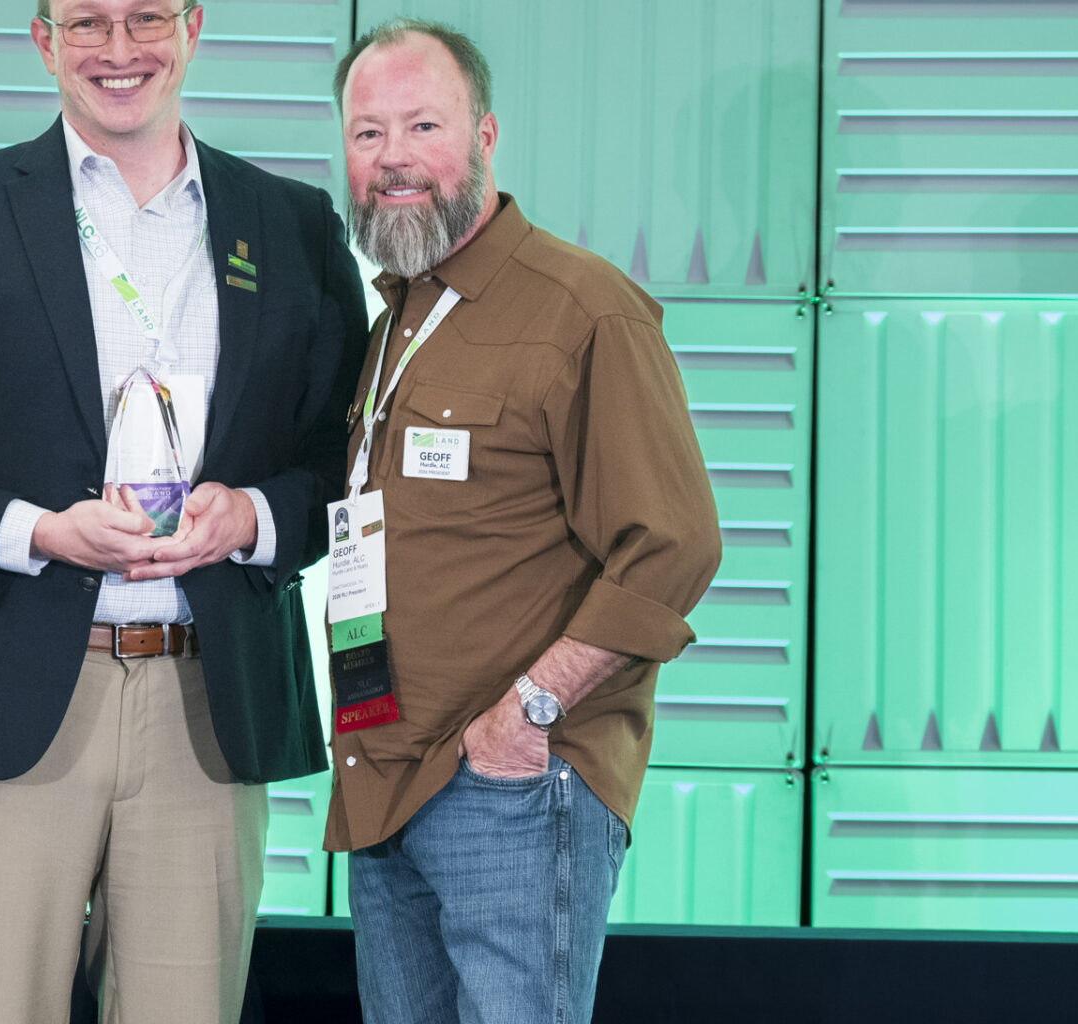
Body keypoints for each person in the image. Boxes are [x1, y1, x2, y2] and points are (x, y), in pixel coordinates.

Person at [0, 1, 367, 1020]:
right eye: (87, 23)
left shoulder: (290, 224)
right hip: (0, 692)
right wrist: (39, 532)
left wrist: (249, 515)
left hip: (207, 707)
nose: (120, 51)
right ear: (43, 40)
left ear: (194, 27)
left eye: (146, 18)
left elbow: (345, 456)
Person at [326, 18, 723, 1023]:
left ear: (487, 135)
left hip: (510, 789)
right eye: (368, 134)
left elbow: (673, 544)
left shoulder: (583, 310)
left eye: (424, 124)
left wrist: (529, 714)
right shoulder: (394, 327)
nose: (395, 159)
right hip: (388, 781)